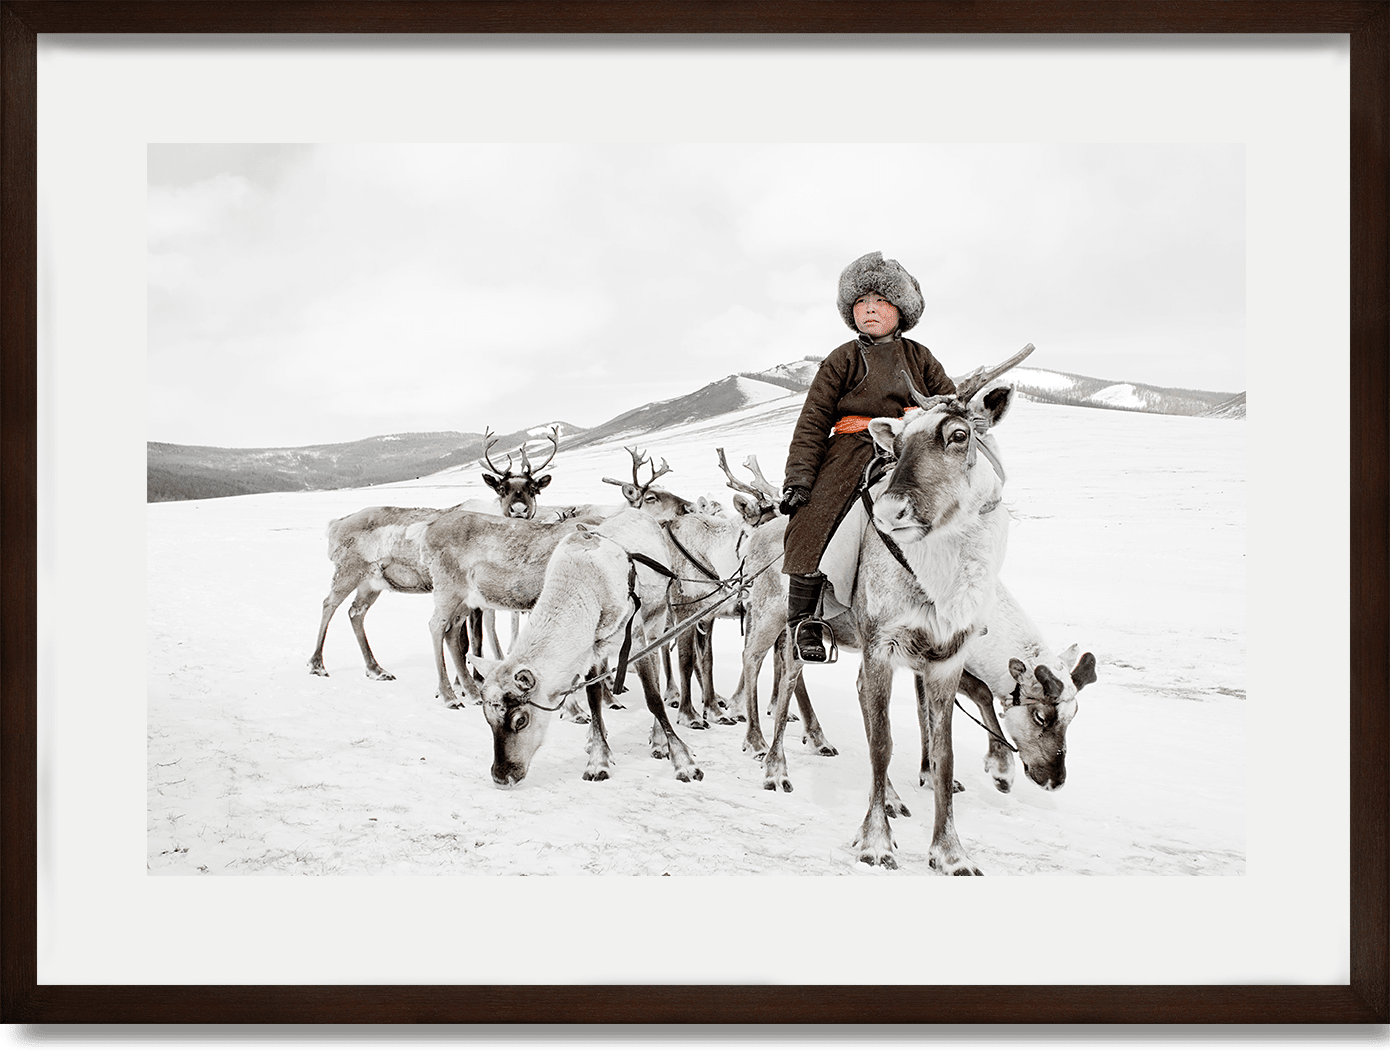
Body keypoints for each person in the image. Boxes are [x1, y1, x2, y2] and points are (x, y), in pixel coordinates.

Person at [779, 251, 957, 662]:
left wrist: (924, 418)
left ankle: (959, 603)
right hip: (849, 450)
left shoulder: (921, 358)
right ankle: (805, 622)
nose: (869, 308)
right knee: (811, 519)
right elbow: (812, 421)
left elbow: (949, 408)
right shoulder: (842, 358)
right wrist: (799, 481)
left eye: (880, 300)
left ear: (901, 309)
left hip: (909, 449)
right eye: (860, 302)